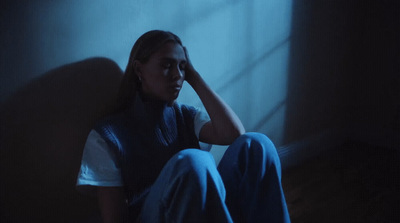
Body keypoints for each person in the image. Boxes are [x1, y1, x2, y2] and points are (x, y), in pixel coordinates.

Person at [76, 30, 291, 223]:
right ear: (139, 70)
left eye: (182, 66)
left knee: (257, 144)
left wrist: (194, 77)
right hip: (155, 217)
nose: (178, 75)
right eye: (166, 65)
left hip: (203, 211)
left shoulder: (184, 115)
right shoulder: (107, 135)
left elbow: (234, 134)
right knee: (193, 161)